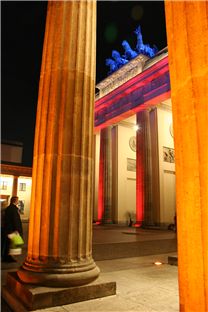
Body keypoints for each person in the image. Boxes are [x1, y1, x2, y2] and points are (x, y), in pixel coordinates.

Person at [2, 196, 23, 262]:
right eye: (17, 200)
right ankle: (8, 257)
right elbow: (15, 220)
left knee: (9, 244)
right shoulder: (13, 209)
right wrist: (17, 229)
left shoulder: (9, 208)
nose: (18, 201)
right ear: (15, 201)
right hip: (12, 229)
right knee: (11, 244)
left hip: (9, 229)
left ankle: (7, 257)